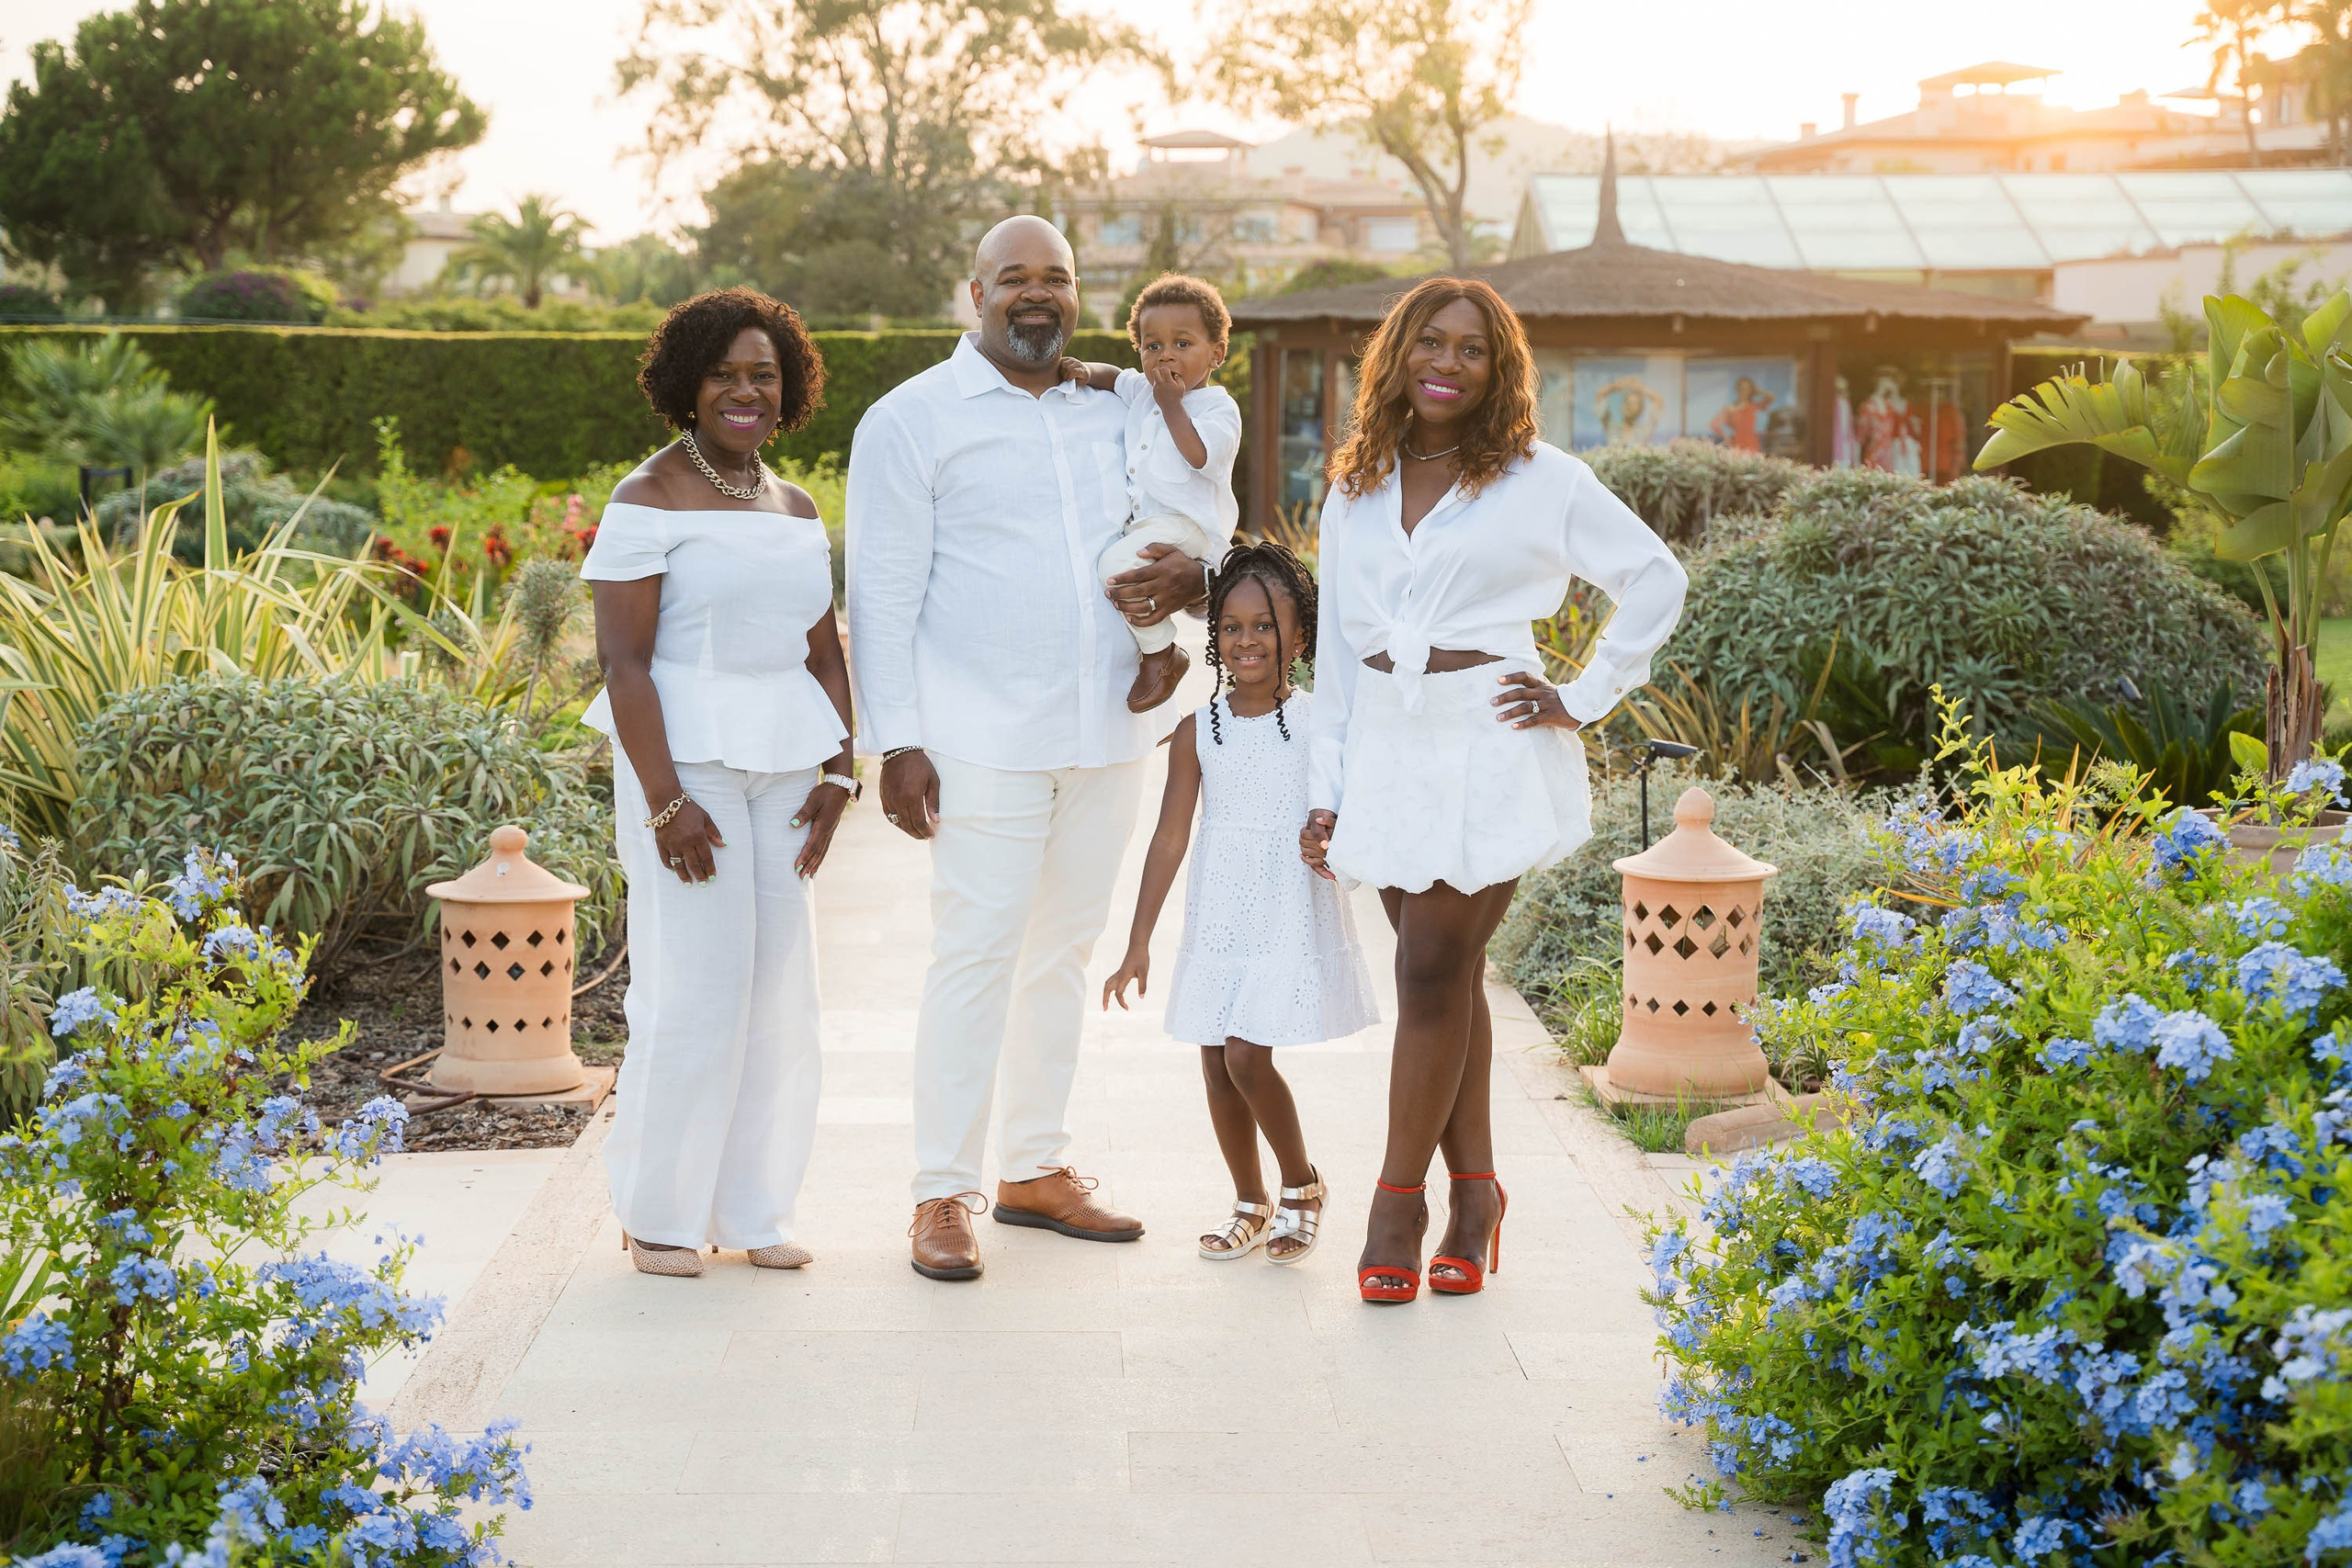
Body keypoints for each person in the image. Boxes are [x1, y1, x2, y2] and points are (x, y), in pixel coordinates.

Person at [1299, 278, 1687, 1303]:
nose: (1448, 363)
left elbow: (1656, 576)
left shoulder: (1541, 479)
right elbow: (1337, 654)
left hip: (1489, 737)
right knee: (1449, 975)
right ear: (1397, 353)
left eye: (1472, 349)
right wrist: (1326, 789)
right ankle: (1477, 1198)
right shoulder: (1356, 484)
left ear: (1500, 367)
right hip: (1388, 745)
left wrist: (1584, 696)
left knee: (1429, 968)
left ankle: (1396, 1205)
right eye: (1431, 342)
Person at [846, 215, 1217, 1282]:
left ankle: (1034, 1168)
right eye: (1014, 278)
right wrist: (896, 742)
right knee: (975, 956)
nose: (1036, 293)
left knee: (1061, 955)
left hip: (1107, 727)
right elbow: (879, 592)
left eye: (1056, 276)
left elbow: (1190, 504)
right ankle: (940, 1191)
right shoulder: (911, 419)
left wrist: (1196, 579)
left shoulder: (1123, 405)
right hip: (979, 737)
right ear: (976, 294)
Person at [582, 288, 856, 1279]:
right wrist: (664, 799)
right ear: (686, 386)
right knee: (694, 991)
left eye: (764, 376)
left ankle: (751, 1209)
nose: (746, 392)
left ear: (790, 391)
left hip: (785, 765)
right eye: (724, 375)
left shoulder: (795, 506)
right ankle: (658, 1213)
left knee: (779, 994)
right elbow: (622, 662)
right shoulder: (646, 496)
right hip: (684, 766)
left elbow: (823, 651)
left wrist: (841, 770)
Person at [1102, 543, 1376, 1265]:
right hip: (1221, 913)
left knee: (1248, 1054)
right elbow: (1169, 837)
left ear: (1300, 637)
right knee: (1216, 1059)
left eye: (1263, 625)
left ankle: (1301, 1183)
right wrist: (1139, 940)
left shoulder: (1322, 725)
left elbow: (1351, 817)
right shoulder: (1199, 730)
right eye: (1230, 626)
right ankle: (1250, 1201)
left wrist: (1329, 840)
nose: (1245, 640)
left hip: (1286, 908)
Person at [1057, 273, 1241, 715]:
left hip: (1190, 528)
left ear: (1216, 353)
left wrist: (1172, 404)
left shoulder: (1218, 408)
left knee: (1115, 568)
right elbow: (1113, 377)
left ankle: (1162, 654)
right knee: (1121, 572)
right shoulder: (1142, 389)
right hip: (1149, 526)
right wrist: (1086, 371)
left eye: (1183, 343)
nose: (1166, 356)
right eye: (1152, 345)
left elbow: (1199, 455)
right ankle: (1154, 649)